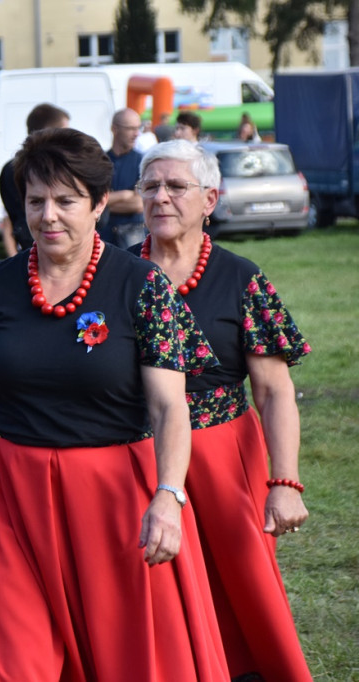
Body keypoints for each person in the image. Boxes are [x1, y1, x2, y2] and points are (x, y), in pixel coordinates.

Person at [0, 127, 229, 681]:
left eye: (65, 201)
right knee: (18, 661)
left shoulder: (143, 286)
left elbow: (168, 408)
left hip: (113, 499)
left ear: (97, 205)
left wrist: (168, 497)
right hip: (9, 501)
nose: (48, 216)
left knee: (126, 661)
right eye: (35, 201)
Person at [135, 140, 312, 682]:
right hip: (139, 458)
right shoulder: (115, 273)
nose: (161, 197)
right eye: (150, 187)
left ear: (210, 199)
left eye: (176, 186)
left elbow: (275, 391)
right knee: (153, 596)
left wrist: (284, 480)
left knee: (241, 590)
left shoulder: (241, 278)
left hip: (223, 457)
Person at [0, 103, 70, 256]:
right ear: (48, 132)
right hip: (38, 245)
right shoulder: (20, 169)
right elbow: (12, 217)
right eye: (63, 131)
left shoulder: (9, 168)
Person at [103, 107, 146, 248]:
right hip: (104, 236)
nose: (136, 134)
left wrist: (105, 203)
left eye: (138, 128)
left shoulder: (142, 162)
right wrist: (126, 194)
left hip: (132, 237)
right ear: (114, 129)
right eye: (131, 129)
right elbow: (91, 200)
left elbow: (139, 204)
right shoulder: (99, 161)